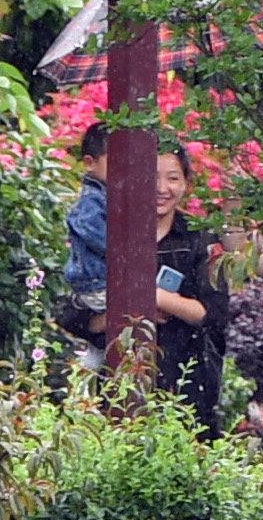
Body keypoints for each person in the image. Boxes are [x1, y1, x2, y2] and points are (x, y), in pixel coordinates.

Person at [60, 116, 207, 373]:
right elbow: (71, 315)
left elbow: (209, 314)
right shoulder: (113, 221)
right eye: (151, 176)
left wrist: (151, 298)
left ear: (186, 183)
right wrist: (135, 307)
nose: (162, 188)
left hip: (183, 381)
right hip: (116, 382)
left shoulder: (197, 238)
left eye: (173, 178)